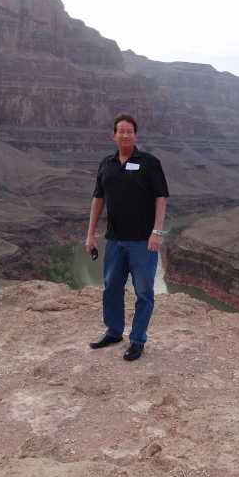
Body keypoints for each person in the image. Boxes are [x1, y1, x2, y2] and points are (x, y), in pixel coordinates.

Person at [85, 113, 169, 361]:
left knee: (143, 291)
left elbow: (161, 197)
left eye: (129, 131)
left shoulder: (149, 163)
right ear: (114, 135)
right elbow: (98, 199)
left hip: (143, 241)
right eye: (121, 131)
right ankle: (113, 332)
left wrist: (157, 231)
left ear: (135, 135)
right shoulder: (106, 164)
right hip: (114, 240)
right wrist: (90, 235)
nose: (125, 135)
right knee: (111, 287)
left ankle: (137, 339)